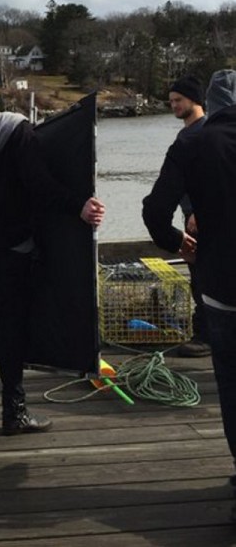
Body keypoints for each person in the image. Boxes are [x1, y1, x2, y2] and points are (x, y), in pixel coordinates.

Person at [0, 68, 105, 431]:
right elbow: (39, 184)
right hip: (12, 244)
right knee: (12, 323)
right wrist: (78, 204)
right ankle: (13, 411)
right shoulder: (16, 128)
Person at [142, 69, 236, 496]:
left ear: (210, 105)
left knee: (232, 386)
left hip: (222, 284)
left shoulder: (192, 144)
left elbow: (154, 211)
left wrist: (179, 241)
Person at [167, 75, 209, 358]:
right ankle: (205, 330)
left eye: (178, 100)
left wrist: (197, 212)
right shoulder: (185, 135)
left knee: (207, 277)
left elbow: (209, 180)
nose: (173, 106)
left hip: (203, 218)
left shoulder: (207, 133)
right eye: (170, 102)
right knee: (197, 275)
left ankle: (206, 336)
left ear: (194, 99)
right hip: (190, 217)